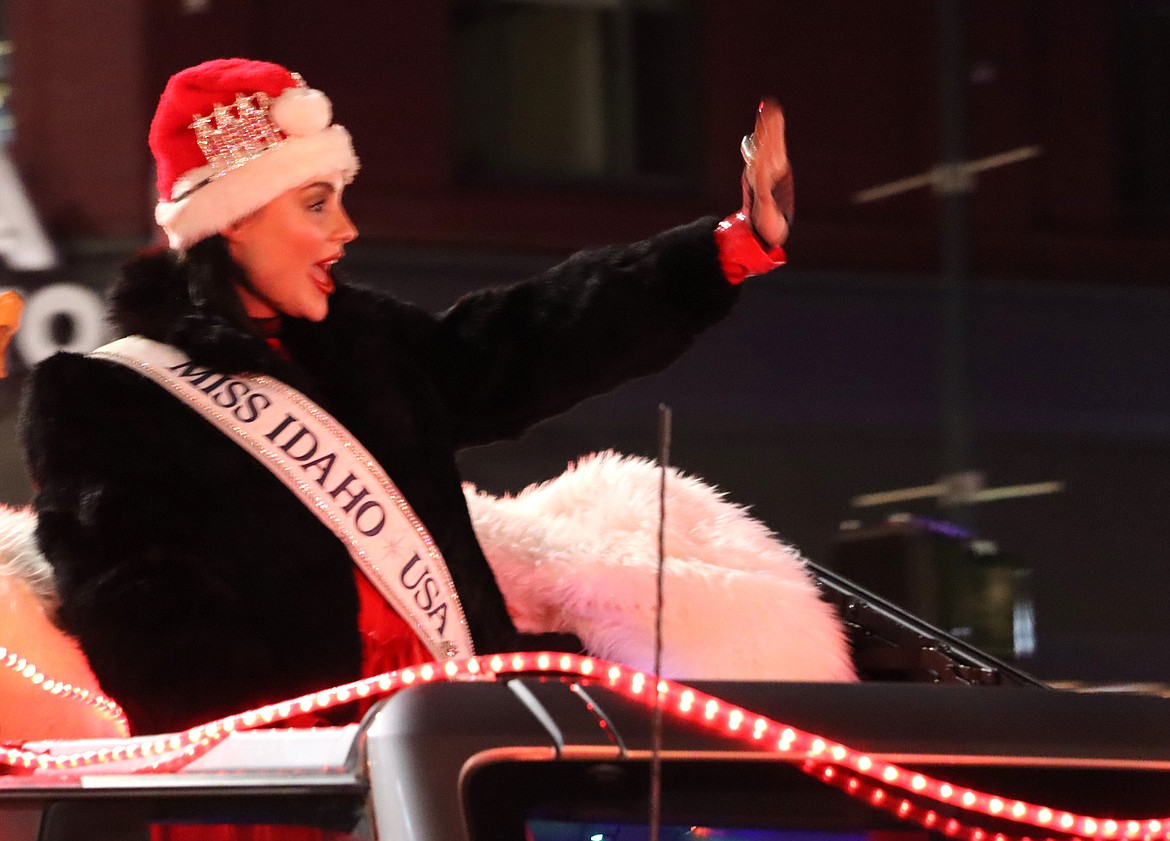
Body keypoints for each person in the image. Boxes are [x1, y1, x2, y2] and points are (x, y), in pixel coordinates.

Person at [19, 58, 813, 737]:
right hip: (296, 788)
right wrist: (292, 761)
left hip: (451, 750)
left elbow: (531, 338)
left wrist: (726, 250)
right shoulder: (106, 396)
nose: (346, 230)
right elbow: (149, 618)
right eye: (316, 203)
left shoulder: (365, 346)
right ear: (231, 220)